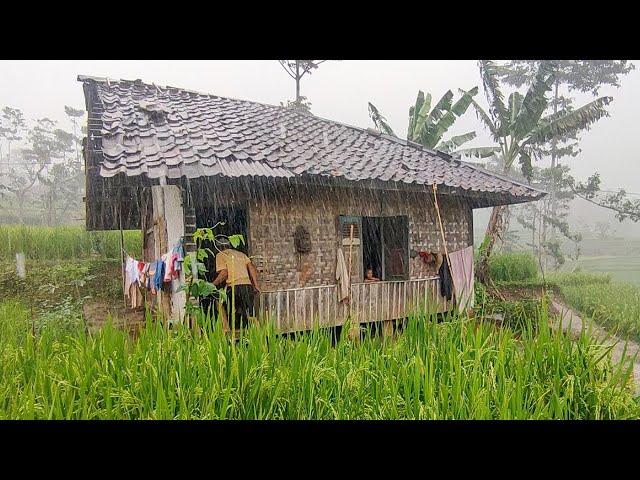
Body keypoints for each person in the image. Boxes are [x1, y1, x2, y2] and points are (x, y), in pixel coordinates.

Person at [212, 238, 261, 329]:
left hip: (234, 287)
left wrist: (212, 285)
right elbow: (251, 268)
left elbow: (224, 273)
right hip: (247, 286)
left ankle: (226, 329)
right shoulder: (241, 254)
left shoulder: (221, 255)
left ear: (218, 247)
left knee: (220, 304)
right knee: (250, 313)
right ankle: (258, 334)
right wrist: (256, 285)